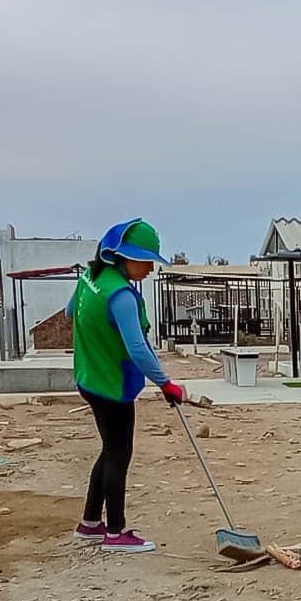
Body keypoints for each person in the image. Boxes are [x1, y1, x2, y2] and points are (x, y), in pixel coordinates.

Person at [68, 218, 184, 553]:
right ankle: (116, 533)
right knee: (119, 453)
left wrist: (97, 338)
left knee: (109, 449)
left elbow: (68, 313)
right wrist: (166, 384)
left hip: (88, 377)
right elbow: (138, 350)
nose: (149, 268)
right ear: (120, 256)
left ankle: (90, 523)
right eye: (144, 260)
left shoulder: (90, 280)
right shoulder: (121, 297)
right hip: (111, 385)